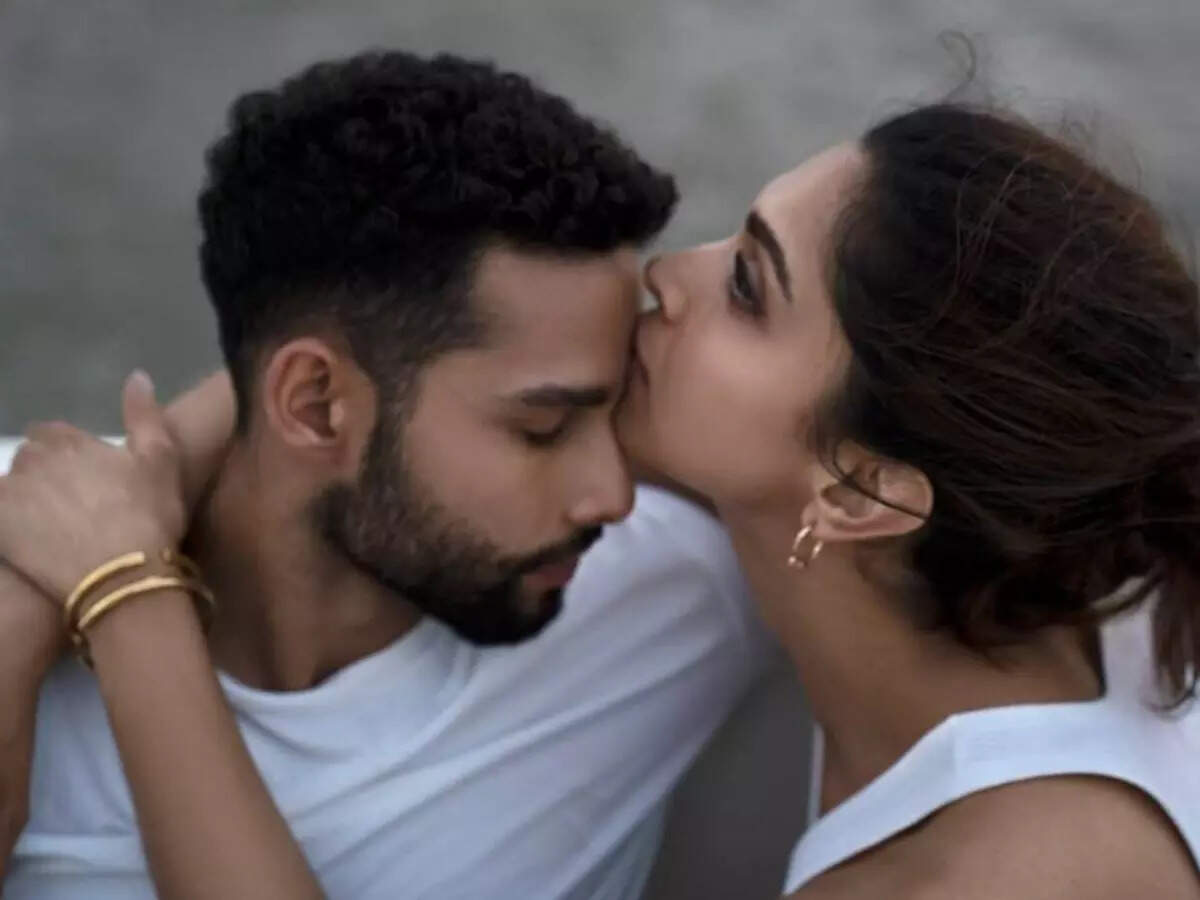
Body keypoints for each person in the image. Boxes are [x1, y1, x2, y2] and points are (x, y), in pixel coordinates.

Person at [7, 85, 1200, 900]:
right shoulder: (997, 550)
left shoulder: (1020, 869)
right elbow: (368, 337)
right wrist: (86, 522)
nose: (667, 280)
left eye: (748, 287)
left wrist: (122, 586)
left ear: (859, 492)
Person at [0, 52, 769, 899]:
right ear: (316, 406)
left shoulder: (667, 603)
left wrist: (122, 585)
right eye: (542, 429)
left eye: (616, 408)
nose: (613, 496)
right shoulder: (32, 529)